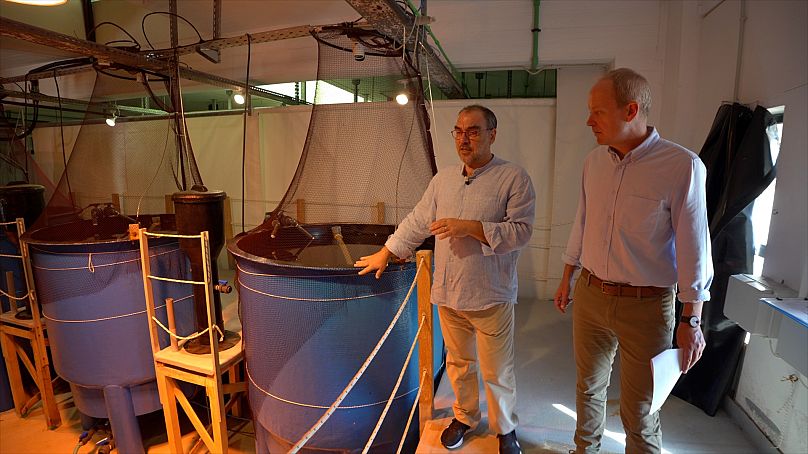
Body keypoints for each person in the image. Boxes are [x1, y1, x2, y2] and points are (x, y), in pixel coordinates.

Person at [355, 105, 535, 454]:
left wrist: (468, 227)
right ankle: (465, 417)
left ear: (492, 134)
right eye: (459, 131)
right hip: (450, 293)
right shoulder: (444, 179)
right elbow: (418, 219)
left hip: (491, 295)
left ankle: (505, 428)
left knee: (498, 370)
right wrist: (387, 251)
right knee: (458, 364)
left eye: (474, 131)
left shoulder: (513, 178)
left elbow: (521, 232)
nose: (464, 138)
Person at [554, 68, 713, 453]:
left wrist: (692, 319)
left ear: (630, 110)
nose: (588, 120)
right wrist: (567, 275)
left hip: (647, 305)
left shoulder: (682, 166)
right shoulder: (594, 163)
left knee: (641, 409)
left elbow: (695, 248)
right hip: (591, 295)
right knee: (588, 389)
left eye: (597, 112)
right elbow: (583, 221)